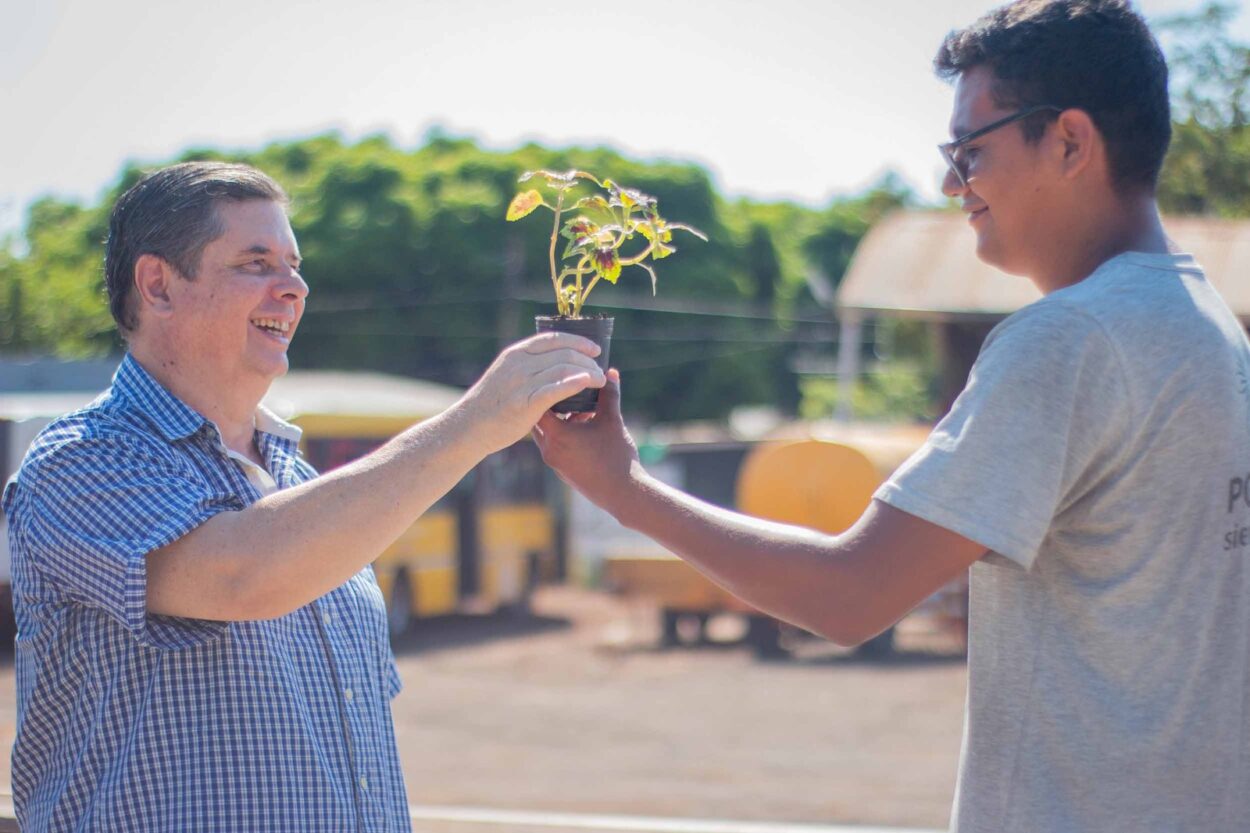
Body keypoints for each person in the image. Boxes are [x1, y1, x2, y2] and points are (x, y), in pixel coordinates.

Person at [533, 1, 1250, 830]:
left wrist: (623, 488)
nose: (953, 184)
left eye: (970, 150)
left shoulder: (1070, 340)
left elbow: (852, 595)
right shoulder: (1212, 331)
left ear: (1070, 141)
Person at [1, 161, 605, 832]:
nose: (294, 288)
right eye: (256, 263)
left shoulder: (302, 484)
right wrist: (474, 424)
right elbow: (242, 575)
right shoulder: (79, 461)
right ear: (158, 285)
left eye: (293, 265)